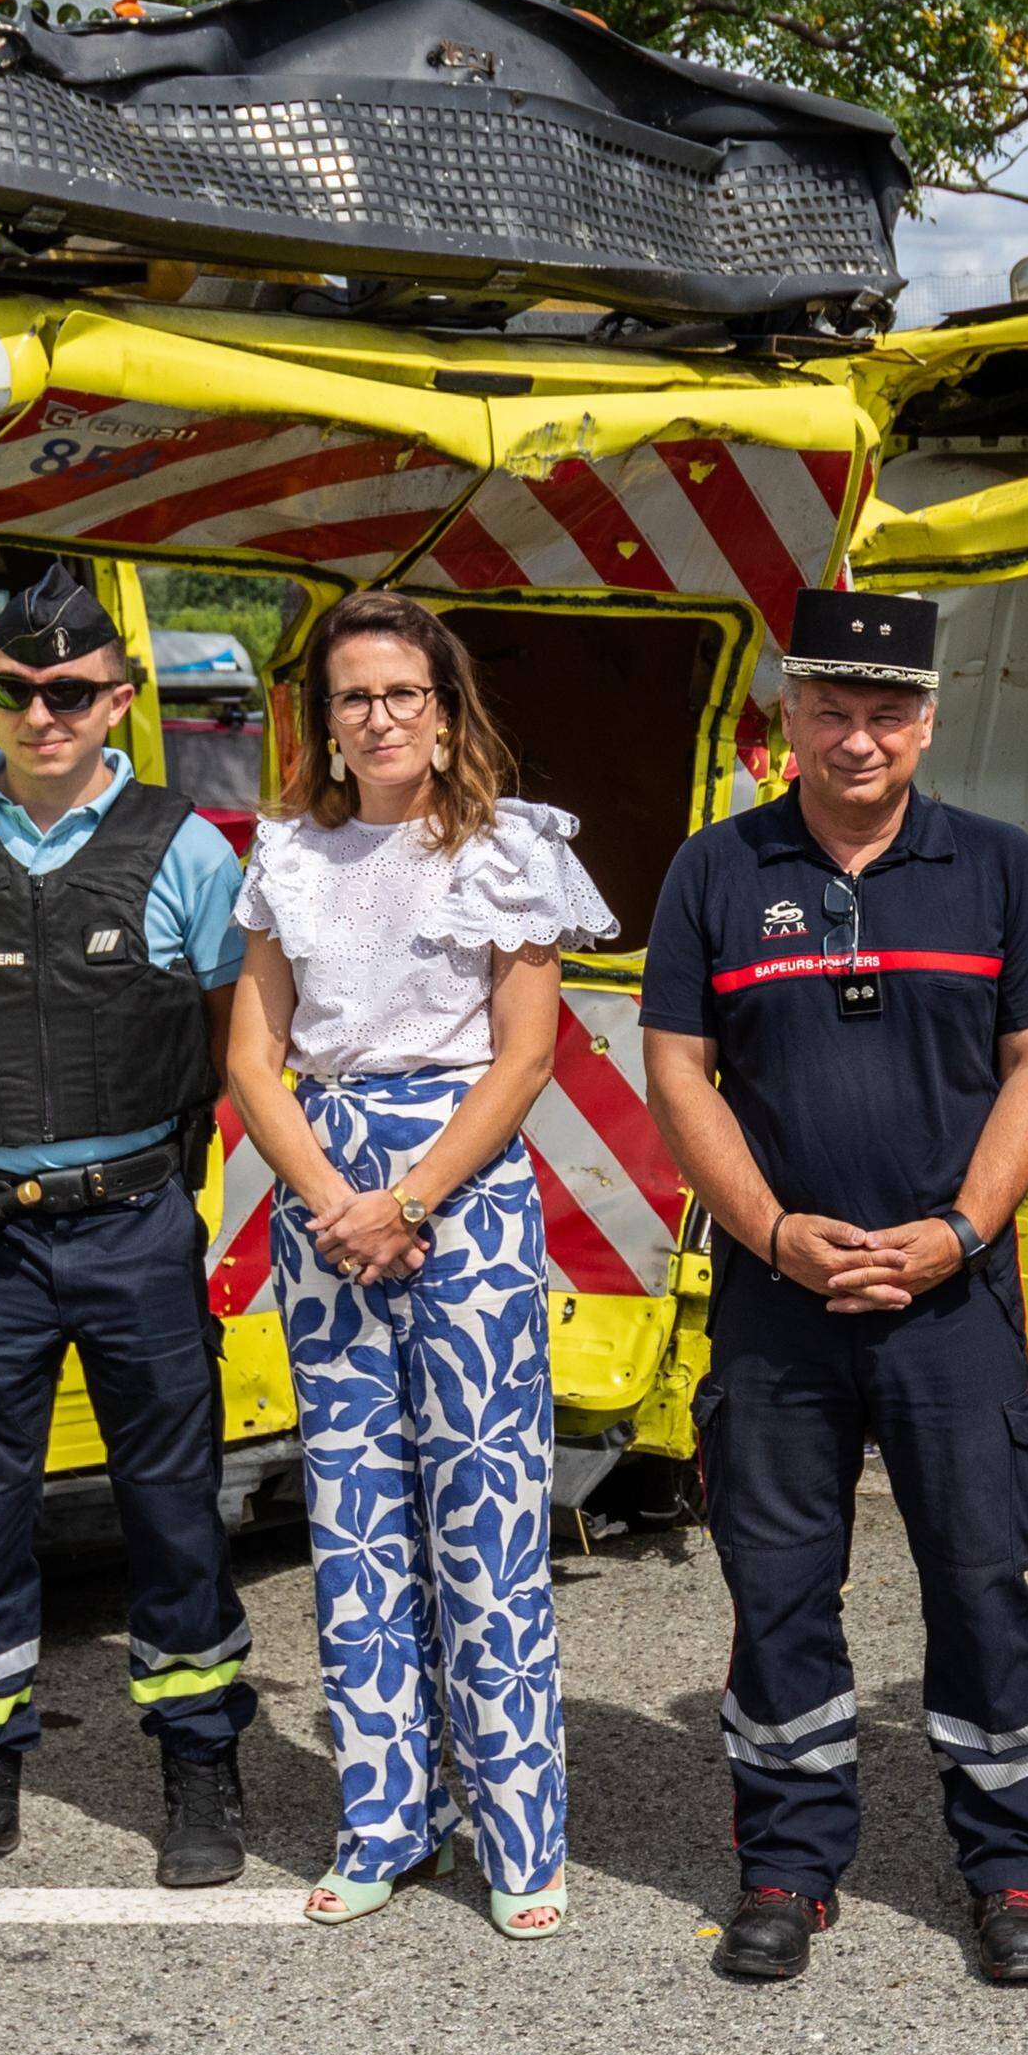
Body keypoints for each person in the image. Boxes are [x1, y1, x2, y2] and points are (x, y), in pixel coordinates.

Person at [642, 588, 1028, 1990]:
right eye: (829, 709)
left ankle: (1012, 1869)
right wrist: (770, 1231)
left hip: (953, 1302)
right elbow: (677, 1073)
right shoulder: (714, 869)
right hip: (779, 1303)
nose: (857, 738)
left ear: (928, 720)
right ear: (788, 713)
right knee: (776, 1590)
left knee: (982, 1584)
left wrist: (961, 1227)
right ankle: (787, 1865)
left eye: (886, 713)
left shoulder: (998, 866)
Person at [0, 560, 263, 1906]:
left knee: (174, 1509)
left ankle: (199, 1761)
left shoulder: (186, 848)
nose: (44, 712)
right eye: (18, 689)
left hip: (136, 1227)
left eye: (72, 691)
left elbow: (232, 1040)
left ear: (120, 700)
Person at [220, 594, 610, 1935]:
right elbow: (252, 1059)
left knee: (486, 1513)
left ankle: (519, 1835)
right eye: (353, 697)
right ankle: (384, 1818)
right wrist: (336, 1199)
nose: (378, 717)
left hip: (463, 1187)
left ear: (445, 712)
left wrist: (410, 1197)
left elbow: (525, 1054)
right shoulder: (287, 852)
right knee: (352, 1513)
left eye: (402, 693)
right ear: (323, 721)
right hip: (325, 1192)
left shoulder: (509, 848)